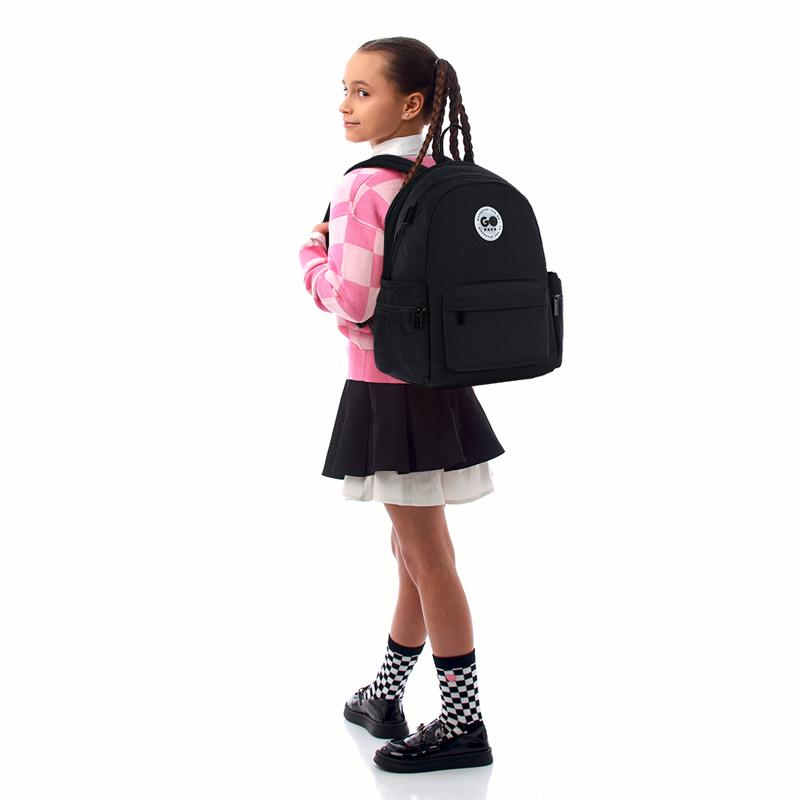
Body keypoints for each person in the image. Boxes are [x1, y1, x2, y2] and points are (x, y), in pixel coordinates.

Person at [298, 37, 501, 773]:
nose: (345, 105)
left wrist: (310, 258)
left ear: (411, 103)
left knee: (428, 555)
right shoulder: (439, 176)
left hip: (387, 393)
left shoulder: (362, 188)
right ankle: (383, 697)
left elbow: (353, 304)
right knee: (411, 549)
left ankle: (463, 724)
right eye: (344, 89)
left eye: (363, 92)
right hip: (440, 386)